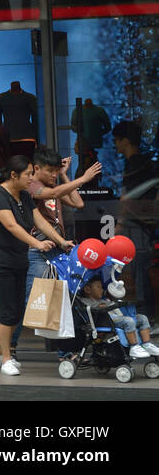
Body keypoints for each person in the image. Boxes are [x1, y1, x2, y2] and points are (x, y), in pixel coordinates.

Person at [0, 156, 73, 376]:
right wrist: (37, 243)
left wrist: (61, 241)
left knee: (19, 309)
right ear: (14, 175)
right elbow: (11, 225)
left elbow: (39, 220)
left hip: (18, 259)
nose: (32, 178)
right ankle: (6, 358)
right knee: (8, 311)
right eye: (28, 174)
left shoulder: (23, 195)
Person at [8, 147, 100, 362]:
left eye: (56, 171)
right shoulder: (31, 185)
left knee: (60, 301)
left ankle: (66, 352)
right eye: (50, 171)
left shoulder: (54, 185)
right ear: (36, 168)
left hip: (57, 250)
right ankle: (9, 345)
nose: (53, 175)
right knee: (33, 299)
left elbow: (78, 203)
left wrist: (65, 175)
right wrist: (83, 178)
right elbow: (52, 194)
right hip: (38, 251)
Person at [113, 121, 158, 319]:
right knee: (143, 272)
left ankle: (144, 319)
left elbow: (127, 199)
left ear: (125, 140)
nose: (115, 145)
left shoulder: (135, 164)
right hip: (147, 225)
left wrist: (119, 224)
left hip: (136, 226)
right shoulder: (148, 164)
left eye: (116, 141)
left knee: (138, 275)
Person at [80, 277, 159, 359]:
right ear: (87, 289)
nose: (102, 289)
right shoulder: (85, 301)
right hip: (105, 321)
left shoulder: (105, 300)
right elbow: (90, 310)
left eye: (102, 287)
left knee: (142, 318)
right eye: (98, 287)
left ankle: (147, 344)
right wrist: (99, 307)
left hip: (118, 318)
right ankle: (134, 347)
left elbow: (115, 307)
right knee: (129, 321)